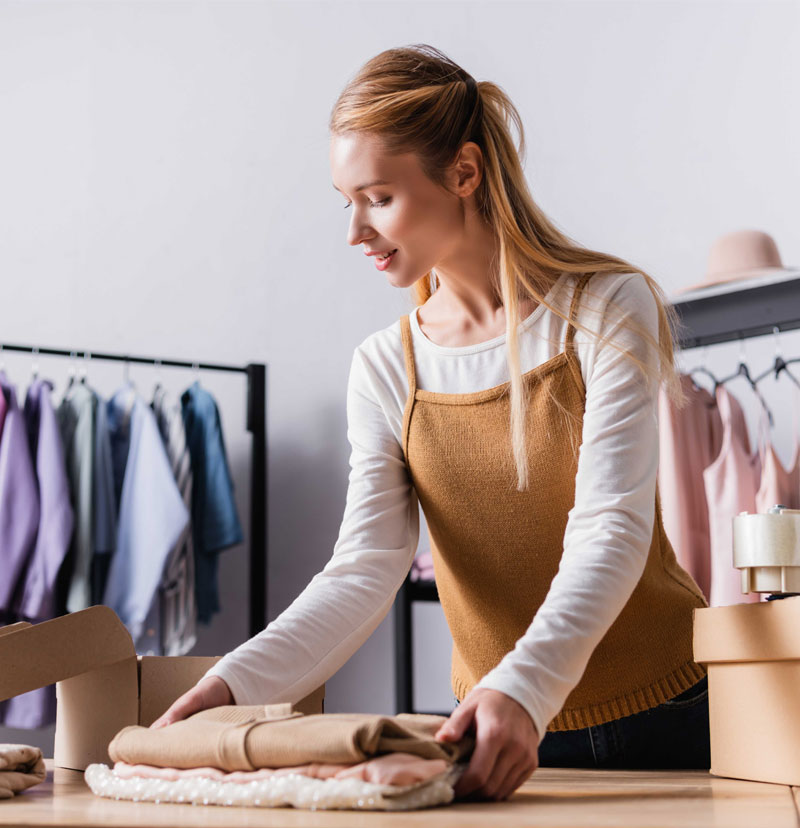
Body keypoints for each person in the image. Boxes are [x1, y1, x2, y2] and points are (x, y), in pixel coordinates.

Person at [152, 43, 710, 802]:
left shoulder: (606, 310)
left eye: (377, 197)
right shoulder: (385, 368)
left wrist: (522, 688)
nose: (355, 231)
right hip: (490, 728)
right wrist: (228, 688)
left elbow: (611, 528)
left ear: (465, 173)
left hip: (665, 713)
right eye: (345, 201)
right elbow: (365, 569)